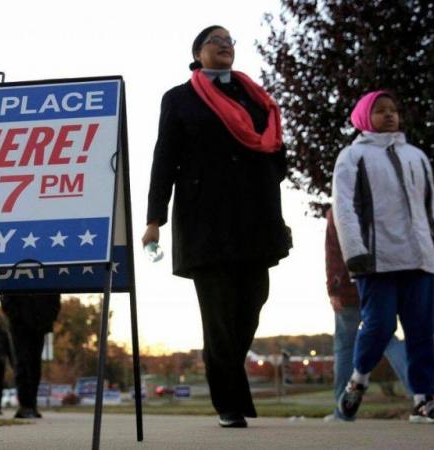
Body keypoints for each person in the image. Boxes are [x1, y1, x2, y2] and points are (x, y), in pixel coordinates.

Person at [142, 25, 291, 428]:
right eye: (216, 41)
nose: (225, 46)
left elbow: (275, 149)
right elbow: (164, 160)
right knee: (218, 314)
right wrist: (155, 219)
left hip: (255, 220)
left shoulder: (256, 97)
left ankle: (229, 381)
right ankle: (228, 403)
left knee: (254, 300)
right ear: (197, 53)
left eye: (230, 42)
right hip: (205, 221)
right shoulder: (179, 99)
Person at [332, 90, 434, 423]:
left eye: (393, 110)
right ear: (362, 117)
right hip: (376, 259)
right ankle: (358, 380)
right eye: (380, 110)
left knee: (420, 331)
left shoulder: (417, 156)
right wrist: (355, 251)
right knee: (379, 327)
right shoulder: (352, 156)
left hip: (419, 260)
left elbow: (430, 208)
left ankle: (424, 400)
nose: (389, 115)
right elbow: (344, 207)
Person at [323, 207, 411, 422]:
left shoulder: (337, 211)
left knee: (344, 347)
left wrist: (333, 289)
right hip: (379, 282)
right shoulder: (381, 203)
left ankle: (342, 410)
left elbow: (333, 253)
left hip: (349, 287)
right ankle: (421, 394)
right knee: (388, 339)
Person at [0, 293, 61, 419]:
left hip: (39, 324)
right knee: (22, 364)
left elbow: (54, 298)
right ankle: (26, 405)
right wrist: (16, 317)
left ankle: (31, 405)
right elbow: (6, 297)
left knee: (34, 365)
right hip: (20, 325)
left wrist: (47, 318)